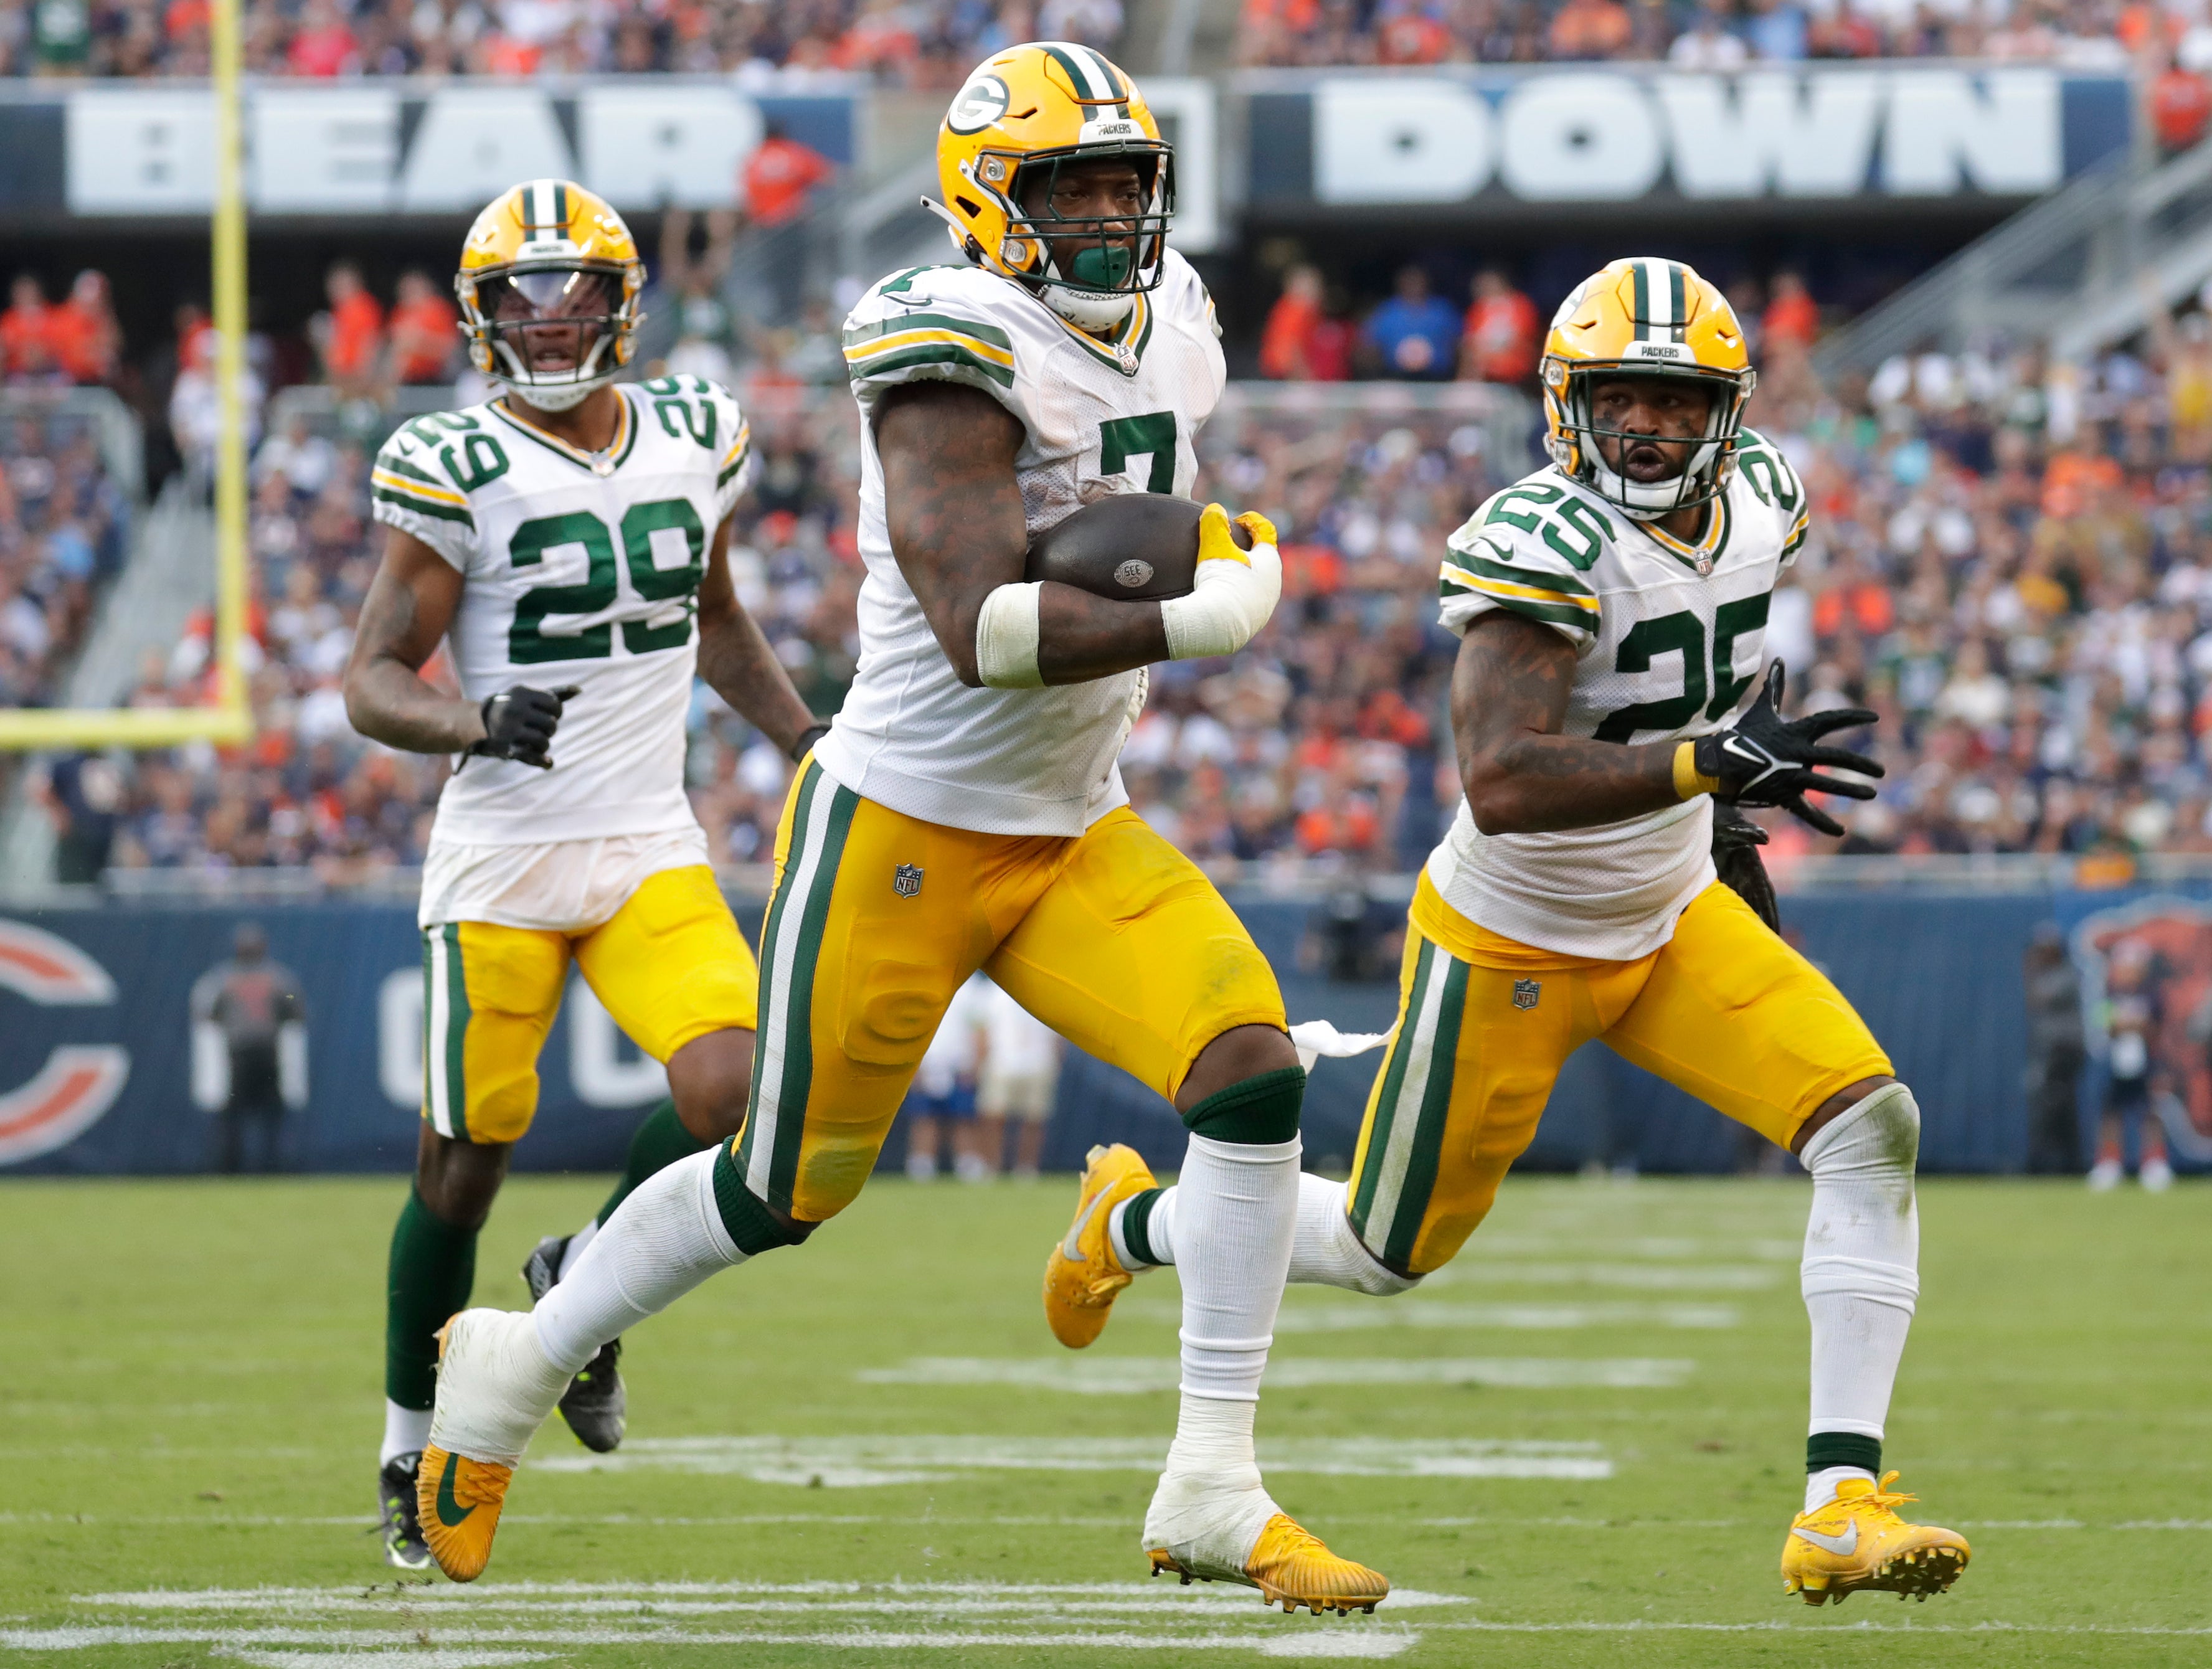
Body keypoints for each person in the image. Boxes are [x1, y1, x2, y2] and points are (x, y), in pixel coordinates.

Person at [417, 49, 1387, 1614]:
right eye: (1065, 185)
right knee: (781, 1185)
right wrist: (1198, 612)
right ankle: (513, 1364)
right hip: (910, 825)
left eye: (1121, 181)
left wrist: (1179, 569)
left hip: (1073, 819)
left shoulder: (1182, 312)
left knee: (1250, 1070)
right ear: (982, 201)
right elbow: (979, 622)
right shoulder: (941, 339)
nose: (1102, 213)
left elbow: (1115, 527)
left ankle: (1212, 1479)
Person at [1062, 258, 1973, 1610]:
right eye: (1619, 399)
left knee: (1869, 1122)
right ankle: (1132, 1222)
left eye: (1673, 399)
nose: (1646, 427)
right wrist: (1708, 768)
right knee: (1384, 1250)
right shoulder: (1541, 536)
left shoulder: (1765, 502)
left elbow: (1705, 681)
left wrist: (1719, 831)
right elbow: (1502, 774)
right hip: (1514, 941)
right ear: (1568, 407)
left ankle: (1837, 1504)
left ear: (1725, 411)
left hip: (1666, 917)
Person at [341, 177, 823, 1571]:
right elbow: (372, 678)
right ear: (481, 318)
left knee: (741, 1090)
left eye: (576, 296)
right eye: (521, 302)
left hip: (642, 839)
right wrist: (473, 718)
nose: (552, 326)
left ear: (626, 301)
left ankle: (584, 1286)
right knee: (463, 1159)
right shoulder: (457, 462)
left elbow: (716, 616)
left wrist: (806, 739)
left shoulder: (694, 431)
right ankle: (408, 1432)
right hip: (498, 854)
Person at [189, 922, 306, 1175]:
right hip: (266, 1050)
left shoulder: (225, 979)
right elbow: (295, 1009)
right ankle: (272, 1165)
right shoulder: (277, 978)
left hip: (241, 1052)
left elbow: (208, 1013)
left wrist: (232, 1023)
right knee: (269, 1113)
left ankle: (233, 1166)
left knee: (236, 1113)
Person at [2089, 943, 2171, 1190]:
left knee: (2149, 1113)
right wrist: (2130, 1022)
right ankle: (2110, 1162)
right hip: (2116, 1064)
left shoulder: (2152, 994)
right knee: (2111, 1113)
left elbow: (2152, 1028)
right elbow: (2106, 1024)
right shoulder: (2110, 993)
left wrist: (2130, 1022)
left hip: (2146, 1064)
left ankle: (2154, 1162)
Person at [902, 970, 988, 1181]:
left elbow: (979, 1031)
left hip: (960, 1066)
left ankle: (967, 1163)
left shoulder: (971, 990)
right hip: (928, 1063)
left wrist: (976, 1065)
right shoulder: (921, 988)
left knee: (963, 1118)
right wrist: (914, 1066)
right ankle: (922, 1164)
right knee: (924, 1118)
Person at [976, 972, 1062, 1178]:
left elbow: (1058, 1034)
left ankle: (1026, 1168)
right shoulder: (992, 993)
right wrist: (980, 1063)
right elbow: (982, 1032)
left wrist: (1055, 1062)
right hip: (1002, 1063)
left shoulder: (1046, 994)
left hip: (1039, 1063)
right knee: (993, 1118)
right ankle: (992, 1166)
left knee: (1034, 1120)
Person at [2023, 924, 2086, 1175]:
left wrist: (2029, 972)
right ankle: (2059, 1163)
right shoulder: (2049, 974)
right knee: (2055, 1104)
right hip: (2052, 1050)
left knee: (2057, 1104)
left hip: (2066, 1051)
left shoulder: (2065, 975)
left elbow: (2039, 998)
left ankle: (2058, 1163)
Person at [1361, 266, 1459, 381]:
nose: (1413, 285)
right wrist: (1374, 376)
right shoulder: (1386, 311)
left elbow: (1459, 343)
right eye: (1409, 282)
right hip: (1396, 378)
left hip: (1437, 377)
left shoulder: (1442, 310)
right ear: (1400, 284)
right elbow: (1369, 345)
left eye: (1417, 281)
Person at [1460, 268, 1539, 385]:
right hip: (1483, 374)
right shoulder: (1478, 309)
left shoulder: (1521, 305)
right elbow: (1471, 341)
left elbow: (1521, 338)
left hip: (1516, 374)